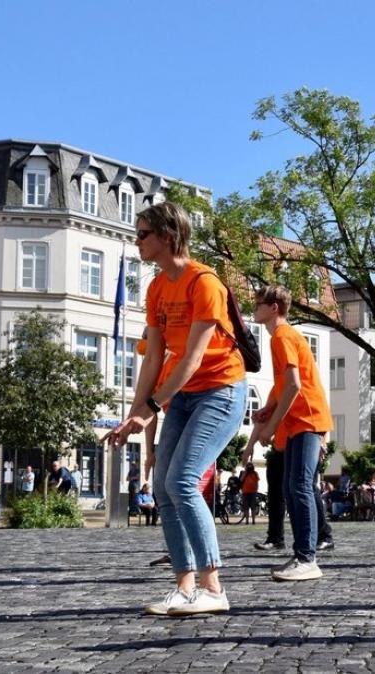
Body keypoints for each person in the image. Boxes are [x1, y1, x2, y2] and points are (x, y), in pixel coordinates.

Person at [109, 201, 247, 616]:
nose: (137, 242)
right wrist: (134, 414)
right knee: (164, 487)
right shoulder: (156, 288)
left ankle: (214, 588)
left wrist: (150, 407)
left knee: (184, 480)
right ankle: (185, 589)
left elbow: (191, 357)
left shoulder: (204, 283)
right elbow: (153, 358)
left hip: (221, 390)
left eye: (143, 234)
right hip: (183, 395)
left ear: (167, 237)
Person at [245, 284, 334, 581]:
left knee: (298, 485)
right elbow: (284, 386)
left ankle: (307, 558)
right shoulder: (281, 337)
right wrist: (269, 408)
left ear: (273, 308)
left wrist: (269, 427)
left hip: (307, 418)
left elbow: (295, 385)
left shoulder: (282, 336)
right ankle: (302, 555)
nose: (254, 308)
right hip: (299, 420)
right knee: (294, 486)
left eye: (258, 304)